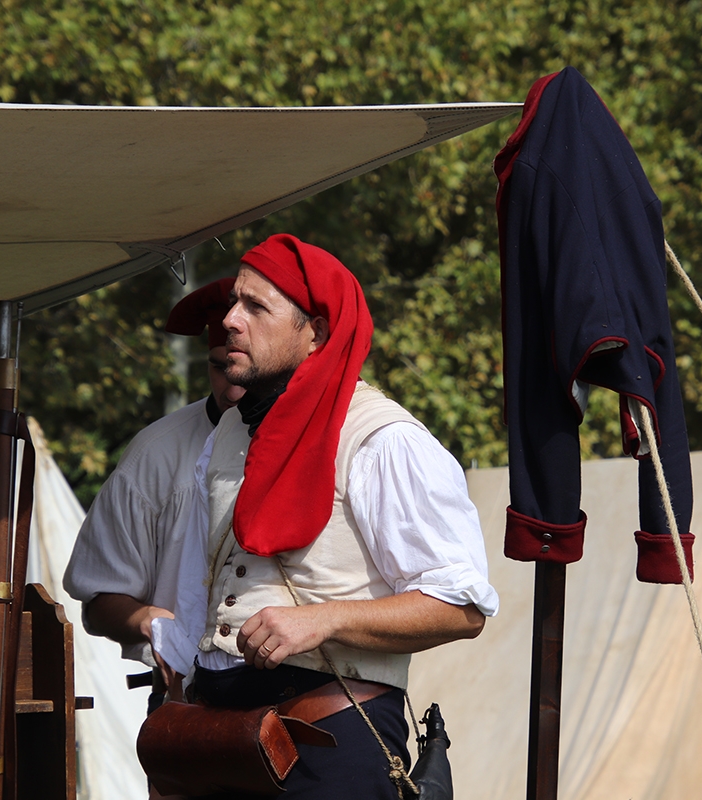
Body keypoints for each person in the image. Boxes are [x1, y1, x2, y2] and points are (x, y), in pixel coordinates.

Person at [156, 234, 497, 800]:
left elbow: (460, 607)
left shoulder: (383, 440)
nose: (231, 321)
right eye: (234, 303)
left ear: (313, 332)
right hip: (222, 738)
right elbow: (205, 585)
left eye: (256, 307)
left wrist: (323, 620)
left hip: (330, 742)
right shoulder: (228, 432)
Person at [63, 278, 243, 685]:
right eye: (220, 367)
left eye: (243, 368)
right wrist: (148, 621)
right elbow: (98, 599)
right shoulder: (156, 453)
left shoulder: (331, 440)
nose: (232, 388)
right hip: (184, 699)